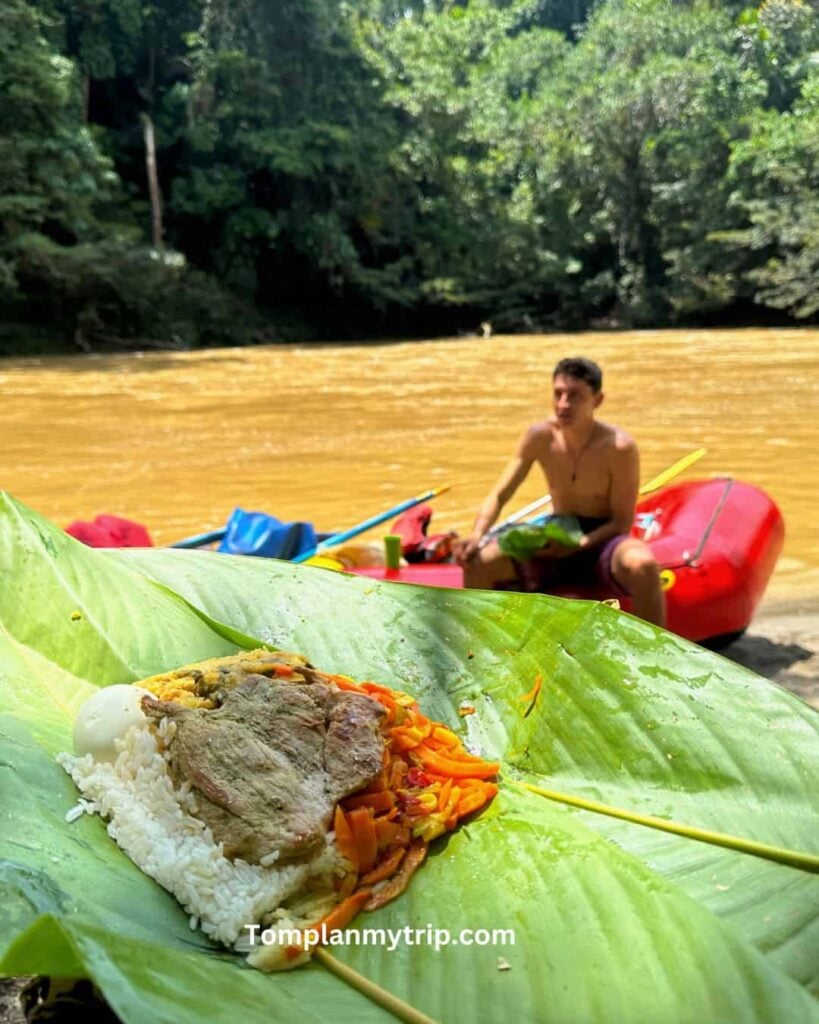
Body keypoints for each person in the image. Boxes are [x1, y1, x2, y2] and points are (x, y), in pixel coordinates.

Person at [455, 357, 666, 627]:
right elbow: (499, 495)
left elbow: (621, 522)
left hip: (603, 539)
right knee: (478, 562)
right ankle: (480, 642)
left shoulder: (619, 447)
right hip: (558, 531)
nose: (563, 404)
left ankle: (657, 646)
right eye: (558, 394)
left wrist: (581, 544)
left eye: (574, 395)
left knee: (643, 566)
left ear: (597, 400)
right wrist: (477, 534)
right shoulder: (539, 436)